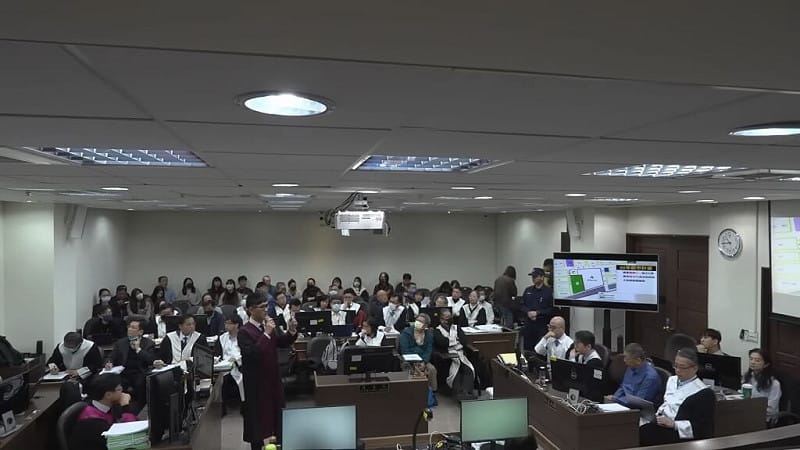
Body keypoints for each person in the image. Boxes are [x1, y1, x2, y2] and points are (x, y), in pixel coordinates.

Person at [238, 293, 298, 449]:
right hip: (256, 382)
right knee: (257, 420)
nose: (266, 309)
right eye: (262, 307)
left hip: (273, 378)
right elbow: (253, 353)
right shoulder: (244, 331)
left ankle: (280, 443)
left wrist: (291, 331)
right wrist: (266, 334)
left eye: (267, 306)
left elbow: (282, 343)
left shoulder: (269, 325)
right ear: (251, 309)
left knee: (278, 414)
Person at [639, 348, 716, 445]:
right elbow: (665, 403)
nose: (678, 370)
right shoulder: (672, 380)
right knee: (633, 426)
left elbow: (701, 427)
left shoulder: (703, 393)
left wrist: (674, 424)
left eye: (682, 367)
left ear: (694, 368)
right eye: (675, 366)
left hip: (680, 432)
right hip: (661, 420)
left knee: (643, 433)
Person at [68, 374, 138, 450]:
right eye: (119, 389)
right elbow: (124, 439)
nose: (122, 392)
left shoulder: (107, 405)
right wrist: (125, 406)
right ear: (108, 395)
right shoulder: (92, 421)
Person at [106, 317, 156, 409]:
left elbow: (150, 360)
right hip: (123, 372)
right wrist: (109, 363)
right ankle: (118, 409)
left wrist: (138, 349)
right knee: (113, 383)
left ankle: (140, 408)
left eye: (133, 327)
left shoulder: (148, 343)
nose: (129, 329)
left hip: (139, 372)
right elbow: (111, 356)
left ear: (140, 332)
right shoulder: (121, 342)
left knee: (140, 383)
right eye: (129, 327)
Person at [433, 309, 476, 399]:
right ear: (441, 319)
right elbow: (442, 343)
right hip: (447, 356)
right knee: (456, 371)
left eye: (450, 317)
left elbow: (464, 341)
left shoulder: (456, 328)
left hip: (460, 354)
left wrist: (450, 341)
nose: (448, 319)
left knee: (468, 369)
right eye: (446, 317)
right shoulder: (437, 330)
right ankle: (458, 392)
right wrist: (456, 340)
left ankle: (466, 391)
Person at [400, 313, 438, 394]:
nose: (418, 322)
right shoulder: (406, 333)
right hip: (408, 360)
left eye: (421, 322)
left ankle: (430, 393)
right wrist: (415, 362)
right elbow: (405, 350)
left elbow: (428, 350)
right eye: (417, 320)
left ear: (426, 325)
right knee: (409, 369)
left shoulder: (429, 335)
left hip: (423, 360)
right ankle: (411, 393)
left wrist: (424, 362)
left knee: (432, 369)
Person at [214, 314, 245, 413]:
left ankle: (244, 406)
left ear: (236, 325)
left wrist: (236, 359)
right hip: (224, 366)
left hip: (240, 366)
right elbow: (217, 353)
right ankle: (221, 408)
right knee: (220, 380)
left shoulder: (244, 336)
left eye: (229, 323)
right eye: (225, 323)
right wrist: (218, 360)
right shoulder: (222, 337)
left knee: (241, 378)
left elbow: (246, 352)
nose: (226, 326)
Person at [743, 348, 781, 425]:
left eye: (757, 360)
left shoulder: (774, 384)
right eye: (751, 359)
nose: (753, 362)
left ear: (766, 364)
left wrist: (751, 411)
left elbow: (771, 409)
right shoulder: (748, 376)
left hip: (765, 418)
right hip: (748, 411)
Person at [521, 267, 553, 349]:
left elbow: (551, 309)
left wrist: (537, 313)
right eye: (532, 276)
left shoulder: (548, 292)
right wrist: (528, 312)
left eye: (535, 276)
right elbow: (522, 305)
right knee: (527, 349)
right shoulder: (528, 290)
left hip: (541, 324)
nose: (533, 278)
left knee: (540, 349)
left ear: (542, 277)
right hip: (529, 324)